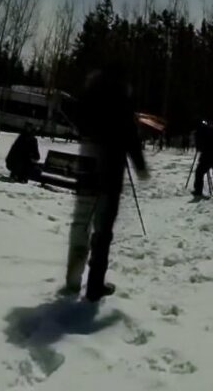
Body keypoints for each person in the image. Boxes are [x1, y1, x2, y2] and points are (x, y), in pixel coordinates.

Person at [63, 68, 148, 301]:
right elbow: (131, 138)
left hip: (87, 169)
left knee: (80, 224)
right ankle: (94, 287)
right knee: (102, 232)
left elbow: (72, 114)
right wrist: (140, 166)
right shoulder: (122, 104)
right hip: (110, 174)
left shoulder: (87, 100)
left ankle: (72, 280)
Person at [192, 119, 213, 199]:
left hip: (208, 156)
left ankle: (198, 190)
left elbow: (200, 147)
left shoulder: (202, 133)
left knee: (199, 172)